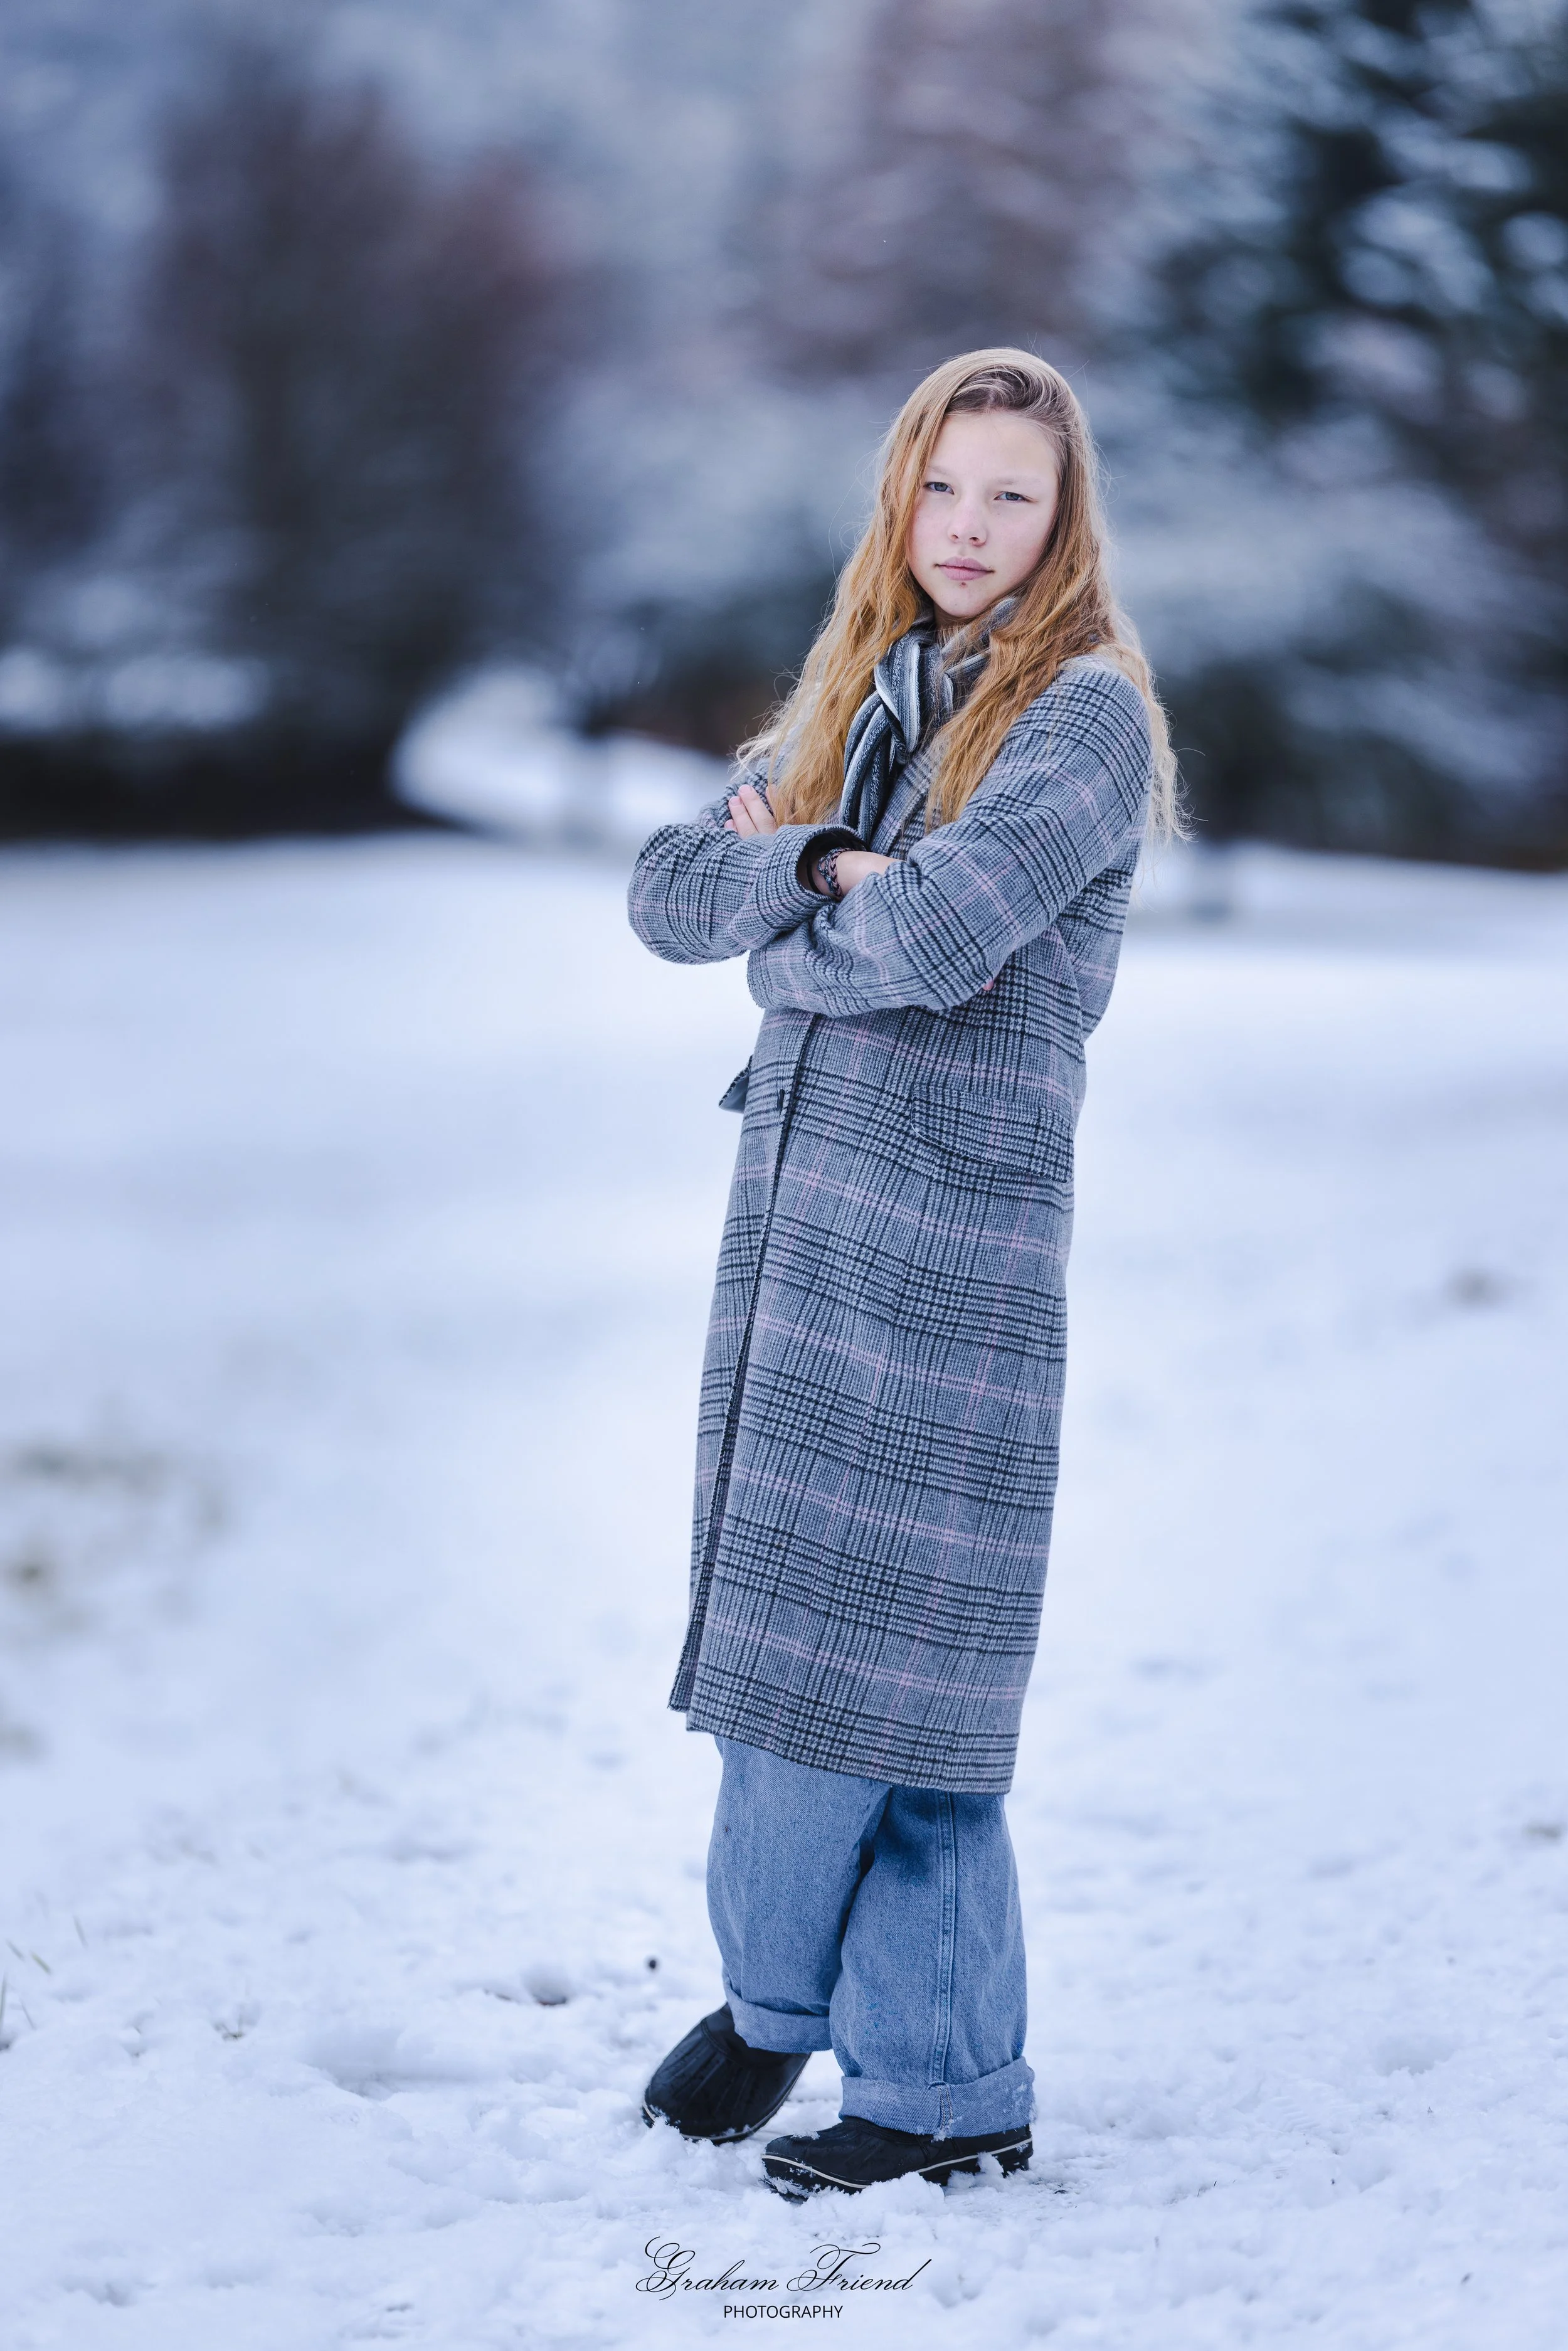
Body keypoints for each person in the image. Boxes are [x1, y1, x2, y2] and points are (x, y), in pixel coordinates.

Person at [626, 348, 1179, 2200]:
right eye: (944, 490)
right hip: (798, 1242)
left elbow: (938, 937)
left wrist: (809, 888)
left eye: (1010, 496)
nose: (969, 529)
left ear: (1063, 517)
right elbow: (662, 893)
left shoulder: (1079, 721)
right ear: (901, 498)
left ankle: (846, 2040)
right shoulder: (862, 686)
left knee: (890, 1685)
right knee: (802, 1654)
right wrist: (825, 878)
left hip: (950, 1251)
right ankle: (858, 2040)